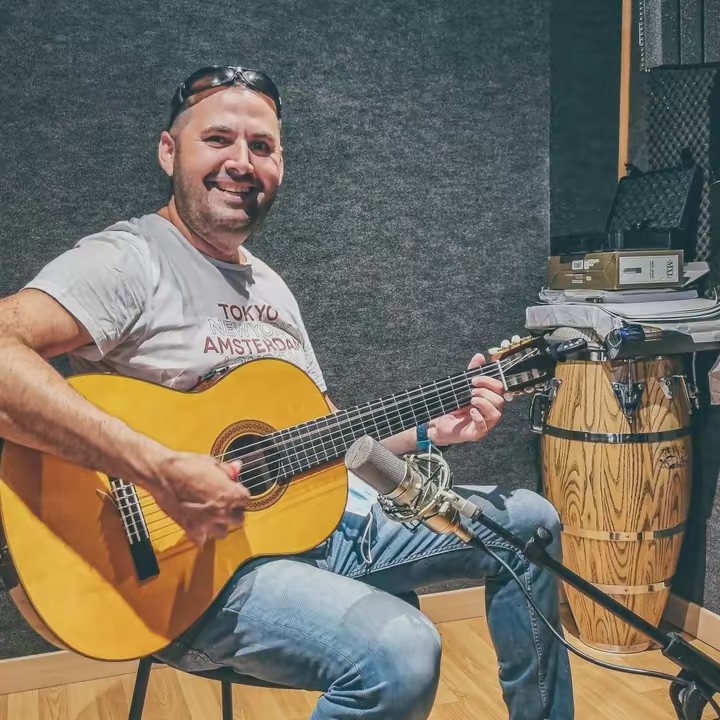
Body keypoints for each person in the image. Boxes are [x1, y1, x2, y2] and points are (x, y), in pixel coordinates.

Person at [0, 65, 573, 719]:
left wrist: (429, 430)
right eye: (218, 139)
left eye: (262, 146)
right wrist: (159, 468)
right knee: (401, 652)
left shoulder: (268, 285)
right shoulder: (131, 259)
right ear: (169, 151)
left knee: (528, 523)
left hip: (323, 526)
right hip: (192, 569)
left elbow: (322, 436)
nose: (241, 163)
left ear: (279, 166)